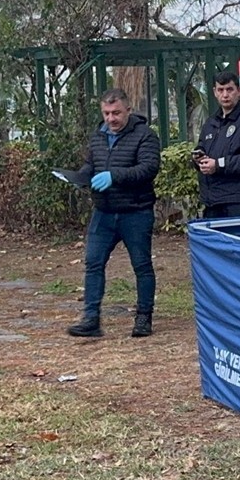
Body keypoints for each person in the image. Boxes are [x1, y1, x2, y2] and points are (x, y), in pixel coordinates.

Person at [67, 88, 162, 339]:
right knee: (93, 263)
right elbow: (92, 164)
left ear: (128, 110)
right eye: (107, 113)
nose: (111, 118)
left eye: (116, 113)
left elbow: (148, 168)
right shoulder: (98, 136)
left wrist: (114, 176)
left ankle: (144, 317)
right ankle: (91, 319)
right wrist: (81, 177)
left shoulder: (145, 135)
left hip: (135, 211)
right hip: (104, 212)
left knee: (141, 265)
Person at [194, 70, 240, 218]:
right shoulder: (211, 122)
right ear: (214, 92)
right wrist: (198, 158)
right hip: (212, 202)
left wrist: (219, 164)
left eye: (229, 89)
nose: (225, 95)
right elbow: (202, 147)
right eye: (221, 90)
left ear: (239, 91)